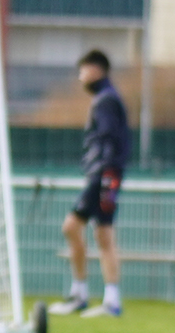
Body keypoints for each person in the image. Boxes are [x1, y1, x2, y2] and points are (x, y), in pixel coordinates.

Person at [51, 49, 128, 318]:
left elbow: (108, 139)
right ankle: (105, 299)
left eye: (83, 71)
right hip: (106, 175)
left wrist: (104, 174)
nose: (81, 77)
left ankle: (83, 295)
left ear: (96, 70)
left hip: (103, 176)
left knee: (73, 227)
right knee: (102, 234)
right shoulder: (107, 98)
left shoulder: (105, 101)